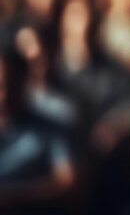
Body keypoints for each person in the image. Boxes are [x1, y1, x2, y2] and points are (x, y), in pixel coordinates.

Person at [0, 45, 77, 214]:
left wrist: (13, 198)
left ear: (24, 81)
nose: (4, 95)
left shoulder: (52, 127)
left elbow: (67, 182)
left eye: (10, 84)